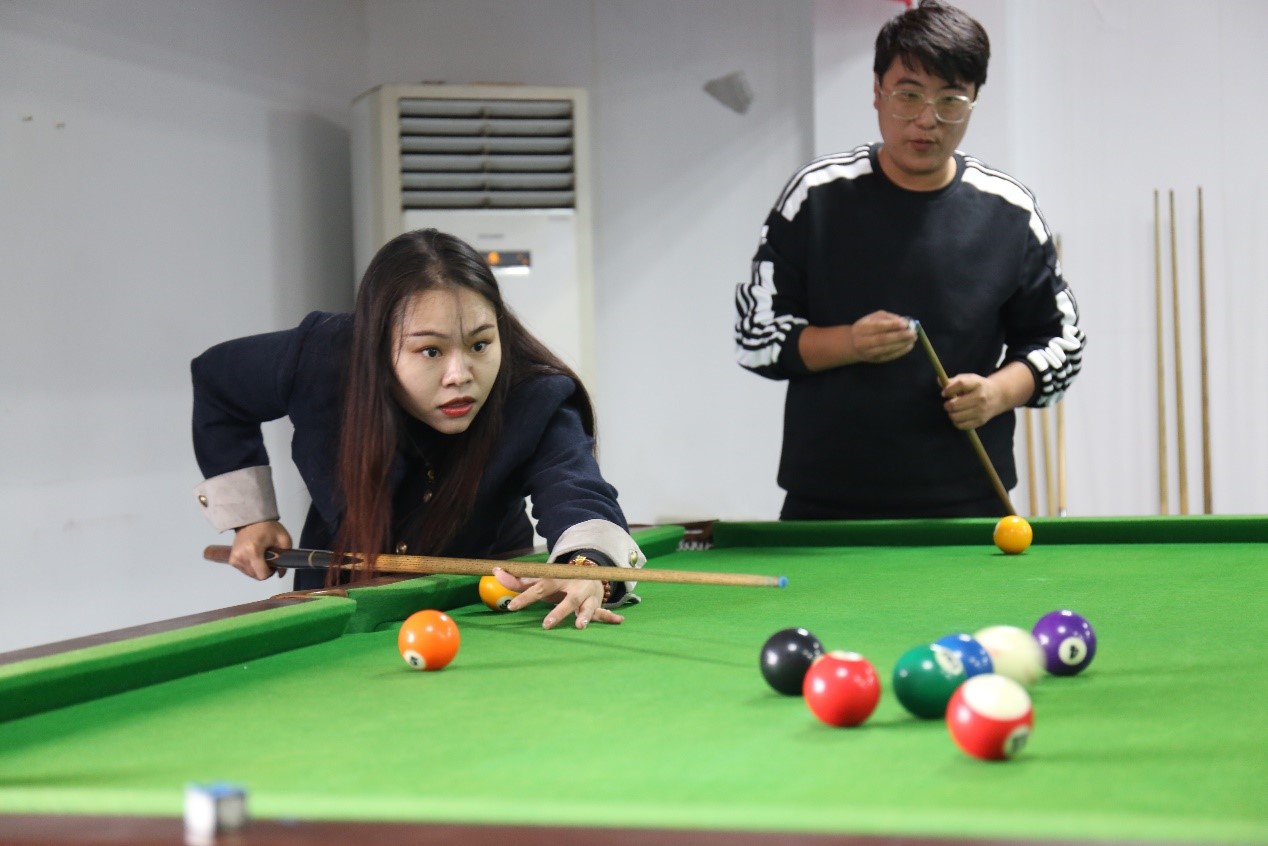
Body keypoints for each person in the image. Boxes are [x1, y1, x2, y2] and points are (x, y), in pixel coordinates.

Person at [734, 0, 1085, 520]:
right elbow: (755, 337)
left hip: (969, 505)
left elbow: (1062, 345)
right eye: (909, 95)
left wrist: (995, 393)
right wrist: (850, 342)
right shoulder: (816, 196)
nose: (927, 120)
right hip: (827, 507)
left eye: (951, 100)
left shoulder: (1009, 210)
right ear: (877, 92)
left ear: (974, 100)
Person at [192, 228, 642, 630]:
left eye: (480, 344)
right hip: (337, 598)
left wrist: (586, 568)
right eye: (430, 351)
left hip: (484, 600)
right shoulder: (324, 359)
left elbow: (576, 491)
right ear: (378, 347)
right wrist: (251, 518)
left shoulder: (533, 393)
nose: (459, 375)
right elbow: (218, 383)